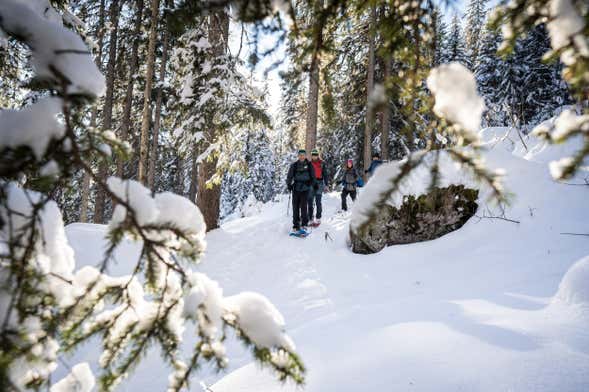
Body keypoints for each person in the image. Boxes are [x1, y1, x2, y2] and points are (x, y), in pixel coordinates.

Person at [286, 149, 316, 232]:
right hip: (296, 188)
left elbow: (313, 176)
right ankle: (296, 224)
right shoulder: (294, 165)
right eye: (300, 155)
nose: (302, 156)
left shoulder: (309, 165)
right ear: (298, 156)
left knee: (303, 207)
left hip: (305, 188)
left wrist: (314, 185)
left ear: (305, 156)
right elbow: (289, 176)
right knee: (295, 207)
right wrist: (289, 184)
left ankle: (304, 224)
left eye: (303, 155)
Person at [308, 149, 329, 226]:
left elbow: (325, 175)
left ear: (317, 155)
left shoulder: (322, 163)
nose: (314, 156)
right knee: (310, 201)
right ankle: (310, 218)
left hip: (319, 183)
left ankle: (318, 218)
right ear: (311, 155)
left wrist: (326, 185)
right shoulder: (309, 164)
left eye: (315, 155)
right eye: (313, 155)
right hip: (311, 183)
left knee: (318, 201)